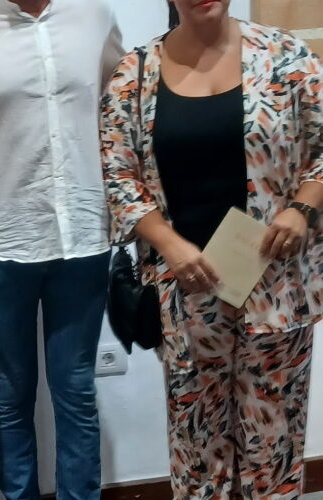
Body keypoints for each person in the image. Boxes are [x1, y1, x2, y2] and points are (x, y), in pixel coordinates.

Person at [101, 1, 323, 498]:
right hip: (184, 287)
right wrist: (168, 244)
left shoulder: (286, 57)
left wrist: (301, 209)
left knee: (274, 438)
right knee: (196, 440)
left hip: (275, 284)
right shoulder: (135, 74)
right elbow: (119, 176)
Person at [0, 0, 122, 498]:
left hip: (82, 239)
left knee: (76, 390)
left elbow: (119, 115)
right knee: (10, 395)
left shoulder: (94, 17)